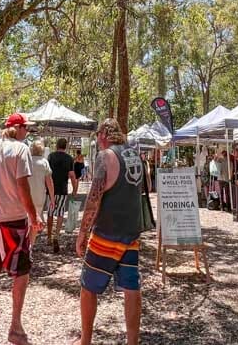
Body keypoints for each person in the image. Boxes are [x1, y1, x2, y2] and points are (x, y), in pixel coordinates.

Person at [0, 113, 43, 345]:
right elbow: (23, 187)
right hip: (14, 221)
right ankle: (15, 325)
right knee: (21, 273)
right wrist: (33, 217)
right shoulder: (21, 150)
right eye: (26, 128)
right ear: (18, 129)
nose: (28, 133)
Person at [74, 119, 144, 345]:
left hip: (107, 233)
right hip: (131, 233)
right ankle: (132, 341)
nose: (97, 139)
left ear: (104, 133)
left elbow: (94, 198)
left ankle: (85, 340)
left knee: (88, 287)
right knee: (131, 287)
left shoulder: (105, 157)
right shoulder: (135, 156)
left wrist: (82, 233)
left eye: (97, 135)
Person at [48, 137, 78, 253]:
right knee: (60, 213)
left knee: (50, 213)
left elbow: (47, 173)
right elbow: (72, 176)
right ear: (65, 146)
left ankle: (49, 236)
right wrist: (74, 190)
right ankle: (56, 235)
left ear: (56, 145)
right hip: (62, 189)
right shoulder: (69, 159)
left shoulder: (51, 157)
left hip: (50, 189)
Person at [28, 140, 54, 241]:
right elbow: (49, 182)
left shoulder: (26, 160)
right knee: (35, 221)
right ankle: (30, 245)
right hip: (39, 196)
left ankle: (24, 246)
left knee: (25, 220)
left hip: (26, 195)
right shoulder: (44, 162)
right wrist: (52, 198)